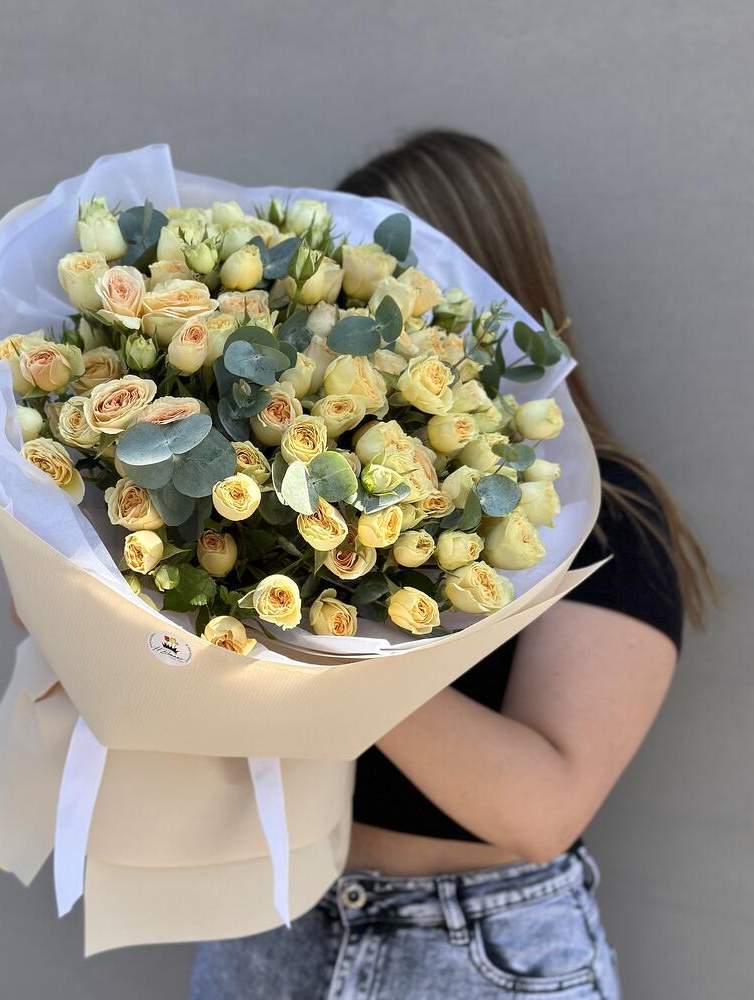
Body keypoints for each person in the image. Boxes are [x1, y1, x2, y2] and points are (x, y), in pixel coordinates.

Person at [188, 130, 714, 1000]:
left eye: (384, 291)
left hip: (475, 949)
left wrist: (323, 645)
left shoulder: (604, 511)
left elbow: (543, 811)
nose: (357, 319)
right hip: (272, 924)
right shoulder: (294, 485)